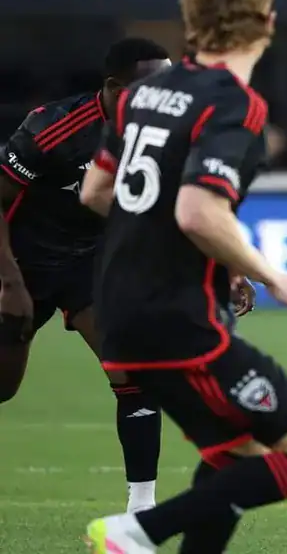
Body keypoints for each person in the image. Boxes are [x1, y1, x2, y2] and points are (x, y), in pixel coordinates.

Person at [80, 0, 287, 553]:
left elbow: (96, 193)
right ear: (267, 22)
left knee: (236, 458)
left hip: (119, 316)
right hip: (181, 322)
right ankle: (135, 532)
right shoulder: (236, 105)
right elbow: (198, 213)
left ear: (193, 22)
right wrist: (275, 277)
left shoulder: (140, 94)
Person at [0, 37, 171, 513]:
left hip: (89, 265)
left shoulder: (163, 132)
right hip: (21, 261)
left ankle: (142, 511)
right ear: (117, 88)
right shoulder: (51, 128)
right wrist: (10, 283)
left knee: (135, 369)